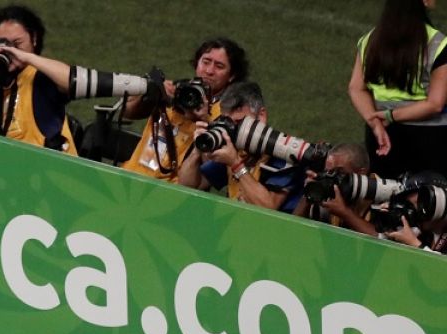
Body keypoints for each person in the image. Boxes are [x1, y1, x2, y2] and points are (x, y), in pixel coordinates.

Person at [121, 37, 249, 181]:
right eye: (205, 62)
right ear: (197, 64)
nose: (209, 71)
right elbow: (127, 112)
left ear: (232, 76)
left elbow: (210, 176)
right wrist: (149, 90)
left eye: (219, 66)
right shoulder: (176, 89)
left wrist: (203, 120)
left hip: (169, 193)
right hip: (128, 176)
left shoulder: (228, 115)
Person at [0, 5, 78, 154]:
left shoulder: (41, 75)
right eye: (3, 43)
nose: (11, 50)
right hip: (2, 166)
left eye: (18, 44)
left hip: (45, 170)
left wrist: (27, 57)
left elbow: (73, 80)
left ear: (34, 39)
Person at [348, 0, 447, 178]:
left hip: (381, 136)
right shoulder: (438, 44)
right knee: (426, 200)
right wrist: (389, 116)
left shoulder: (370, 40)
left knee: (382, 198)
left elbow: (356, 88)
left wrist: (375, 123)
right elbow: (435, 104)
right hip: (428, 140)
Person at [178, 81, 306, 213]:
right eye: (227, 122)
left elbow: (267, 209)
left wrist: (236, 164)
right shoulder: (235, 148)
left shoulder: (284, 151)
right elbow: (188, 185)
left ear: (261, 116)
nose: (232, 130)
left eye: (239, 123)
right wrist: (197, 150)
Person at [293, 142, 380, 235]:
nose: (331, 178)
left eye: (339, 172)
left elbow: (386, 241)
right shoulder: (331, 191)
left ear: (361, 173)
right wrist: (309, 195)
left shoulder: (383, 192)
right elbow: (293, 229)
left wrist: (344, 213)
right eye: (328, 172)